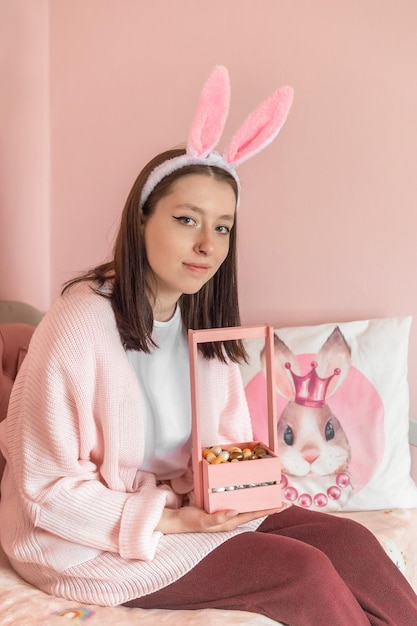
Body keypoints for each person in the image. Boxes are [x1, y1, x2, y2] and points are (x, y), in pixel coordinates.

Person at [0, 66, 416, 626]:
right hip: (84, 539)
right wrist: (171, 522)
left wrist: (230, 496)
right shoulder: (79, 322)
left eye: (222, 227)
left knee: (353, 546)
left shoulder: (203, 323)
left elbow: (224, 450)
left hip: (185, 510)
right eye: (186, 219)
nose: (206, 244)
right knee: (303, 572)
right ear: (141, 221)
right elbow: (43, 489)